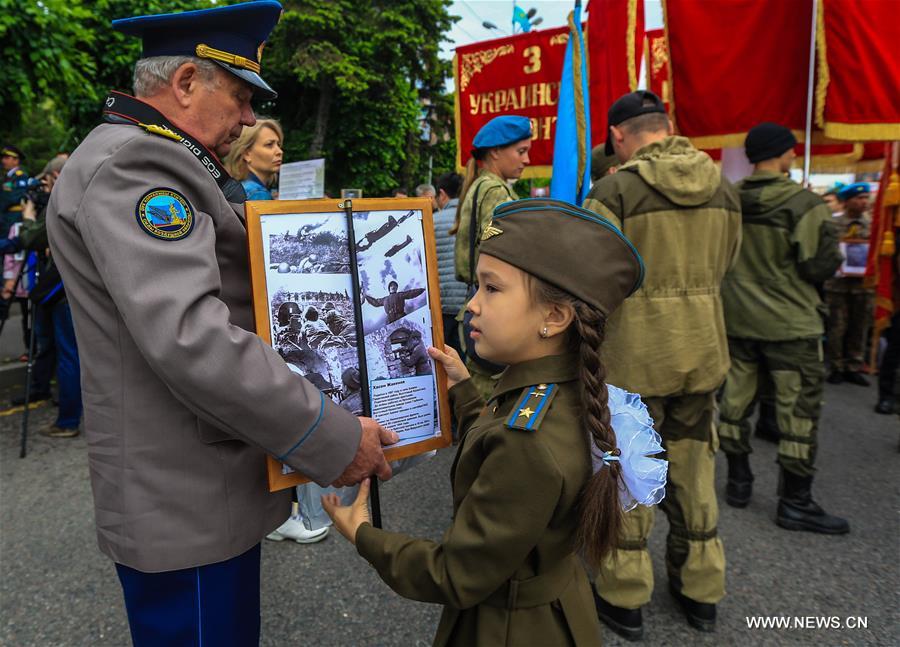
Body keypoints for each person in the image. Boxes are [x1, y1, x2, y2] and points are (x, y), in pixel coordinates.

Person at [45, 3, 397, 644]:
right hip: (187, 500)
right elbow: (193, 338)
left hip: (191, 487)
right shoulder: (140, 165)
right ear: (184, 83)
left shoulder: (145, 155)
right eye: (238, 96)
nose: (247, 118)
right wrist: (331, 435)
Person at [323, 198, 665, 647]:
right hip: (555, 609)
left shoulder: (528, 440)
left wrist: (363, 535)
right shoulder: (556, 395)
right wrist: (464, 390)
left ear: (554, 318)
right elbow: (502, 439)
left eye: (492, 289)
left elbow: (454, 574)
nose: (471, 308)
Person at [583, 90, 741, 637]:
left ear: (620, 137)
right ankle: (701, 591)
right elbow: (728, 265)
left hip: (634, 361)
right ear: (667, 126)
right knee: (697, 474)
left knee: (631, 476)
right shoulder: (723, 187)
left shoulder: (614, 189)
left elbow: (591, 281)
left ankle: (625, 598)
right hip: (702, 355)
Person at [718, 122, 848, 534]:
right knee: (797, 415)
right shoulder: (805, 204)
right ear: (783, 153)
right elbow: (819, 266)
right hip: (791, 325)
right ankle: (795, 502)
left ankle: (739, 484)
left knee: (734, 406)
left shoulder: (728, 201)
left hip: (737, 320)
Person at [452, 115, 532, 398]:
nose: (527, 160)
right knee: (493, 407)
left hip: (479, 305)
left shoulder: (480, 187)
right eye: (521, 151)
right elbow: (504, 255)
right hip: (495, 310)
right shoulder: (496, 192)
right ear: (496, 152)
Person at [13, 156, 84, 437]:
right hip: (79, 288)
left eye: (45, 180)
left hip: (63, 290)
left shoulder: (63, 199)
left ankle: (67, 421)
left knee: (69, 355)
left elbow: (32, 239)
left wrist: (28, 217)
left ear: (55, 175)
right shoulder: (89, 192)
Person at [824, 182, 874, 385]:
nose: (863, 202)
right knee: (836, 326)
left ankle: (854, 365)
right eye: (858, 198)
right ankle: (836, 366)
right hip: (837, 284)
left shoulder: (873, 224)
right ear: (847, 201)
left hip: (863, 285)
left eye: (865, 198)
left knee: (860, 326)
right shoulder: (832, 223)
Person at [432, 172, 466, 357]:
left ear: (442, 194)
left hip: (441, 302)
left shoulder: (433, 221)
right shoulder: (471, 220)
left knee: (442, 355)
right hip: (466, 302)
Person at [223, 118, 283, 200]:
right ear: (246, 154)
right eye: (269, 145)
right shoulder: (257, 193)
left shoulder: (236, 188)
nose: (280, 151)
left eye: (278, 145)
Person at [1, 144, 29, 240]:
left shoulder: (20, 176)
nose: (3, 161)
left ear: (16, 160)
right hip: (5, 218)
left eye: (7, 158)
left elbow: (13, 197)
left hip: (12, 218)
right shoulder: (6, 177)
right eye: (3, 158)